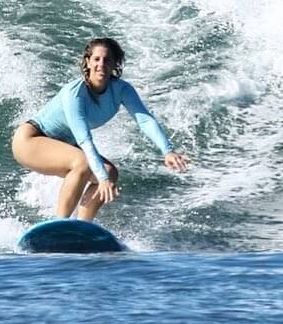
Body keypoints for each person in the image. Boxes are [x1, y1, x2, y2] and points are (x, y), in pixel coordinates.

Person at [12, 37, 189, 220]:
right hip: (30, 140)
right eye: (96, 59)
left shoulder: (121, 90)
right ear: (87, 62)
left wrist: (167, 151)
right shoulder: (75, 93)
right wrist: (101, 179)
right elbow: (84, 139)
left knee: (110, 172)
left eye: (107, 60)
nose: (101, 64)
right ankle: (61, 223)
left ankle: (83, 226)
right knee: (85, 164)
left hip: (64, 145)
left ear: (114, 64)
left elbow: (144, 120)